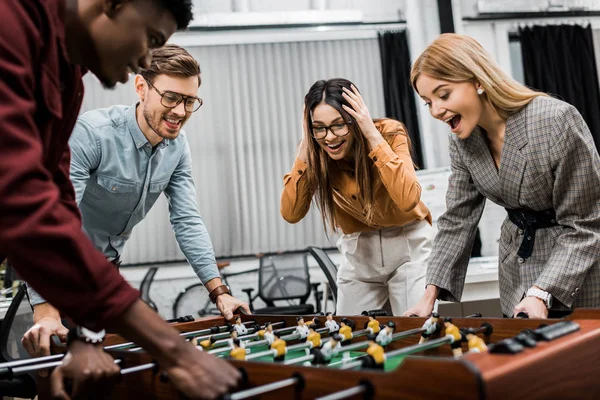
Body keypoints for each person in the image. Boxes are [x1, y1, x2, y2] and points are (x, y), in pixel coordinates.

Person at [0, 1, 240, 399]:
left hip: (83, 278)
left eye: (190, 102)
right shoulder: (13, 24)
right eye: (150, 38)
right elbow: (29, 204)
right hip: (47, 272)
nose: (146, 56)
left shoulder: (67, 81)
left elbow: (56, 197)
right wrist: (173, 351)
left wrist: (86, 329)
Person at [22, 44, 249, 358]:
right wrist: (46, 311)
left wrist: (220, 293)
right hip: (59, 274)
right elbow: (53, 219)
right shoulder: (93, 134)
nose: (180, 112)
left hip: (105, 275)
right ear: (142, 87)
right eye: (171, 97)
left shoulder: (178, 149)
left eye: (189, 101)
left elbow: (187, 221)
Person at [405, 33, 600, 319]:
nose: (436, 110)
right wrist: (429, 296)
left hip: (575, 266)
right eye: (427, 102)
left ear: (479, 80)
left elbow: (585, 223)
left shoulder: (553, 121)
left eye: (443, 95)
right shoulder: (463, 141)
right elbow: (458, 219)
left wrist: (541, 292)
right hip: (516, 266)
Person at [281, 78, 434, 316]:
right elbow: (291, 213)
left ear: (355, 118)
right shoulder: (316, 150)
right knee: (348, 335)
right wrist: (305, 147)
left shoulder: (389, 133)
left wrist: (371, 134)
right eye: (319, 127)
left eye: (338, 125)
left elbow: (407, 198)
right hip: (359, 254)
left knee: (415, 330)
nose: (329, 137)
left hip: (408, 246)